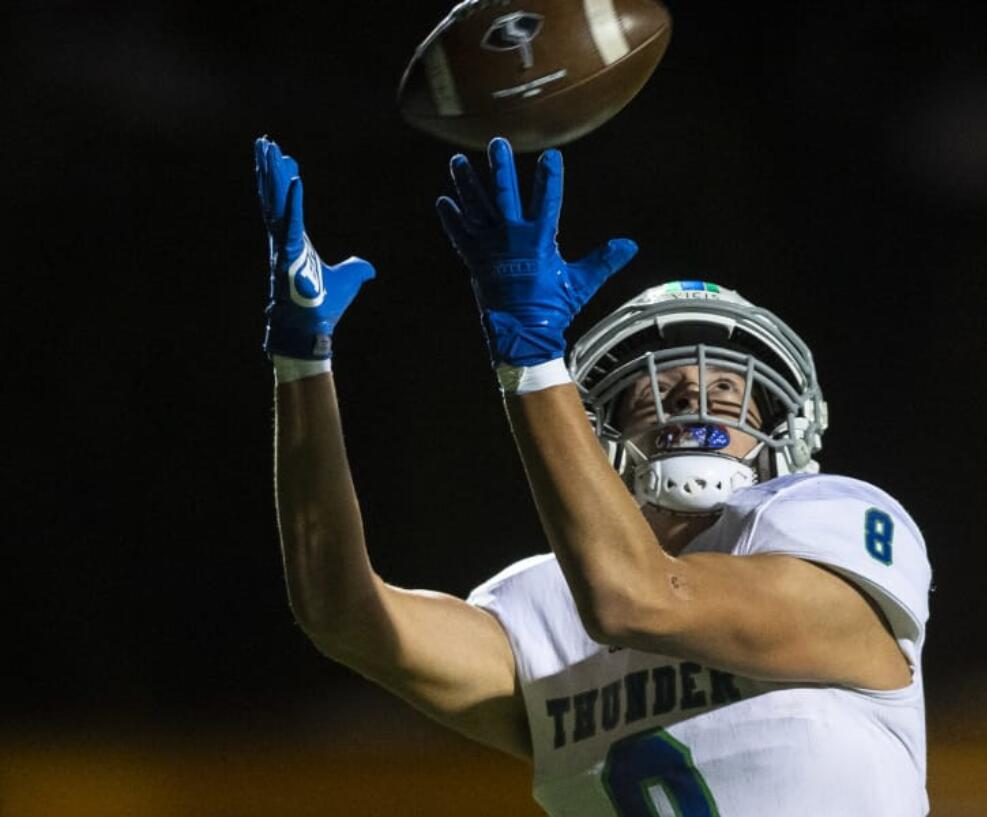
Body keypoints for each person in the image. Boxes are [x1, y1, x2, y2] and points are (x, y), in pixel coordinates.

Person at [256, 134, 933, 816]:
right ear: (602, 440)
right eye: (653, 396)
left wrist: (531, 355)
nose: (690, 409)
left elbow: (641, 597)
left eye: (726, 394)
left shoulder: (830, 522)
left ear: (785, 433)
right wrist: (302, 362)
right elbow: (344, 614)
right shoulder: (545, 606)